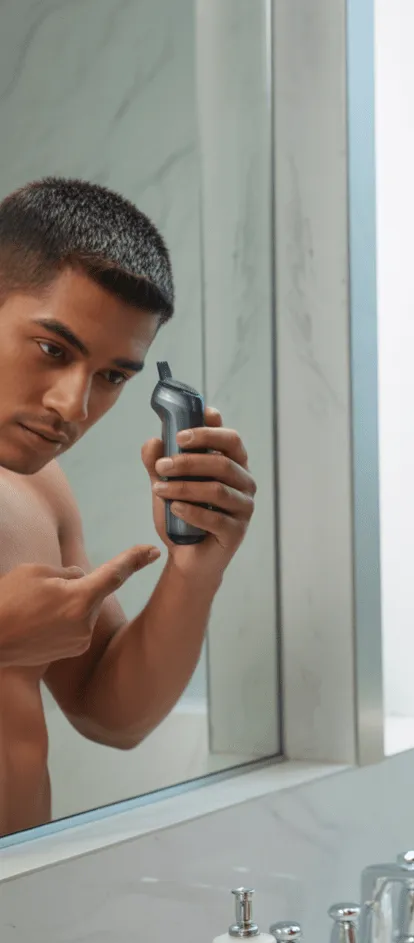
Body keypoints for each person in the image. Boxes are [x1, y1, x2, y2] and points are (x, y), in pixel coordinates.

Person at [0, 178, 256, 837]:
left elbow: (111, 714)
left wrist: (196, 569)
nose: (74, 406)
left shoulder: (38, 492)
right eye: (53, 351)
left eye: (112, 375)